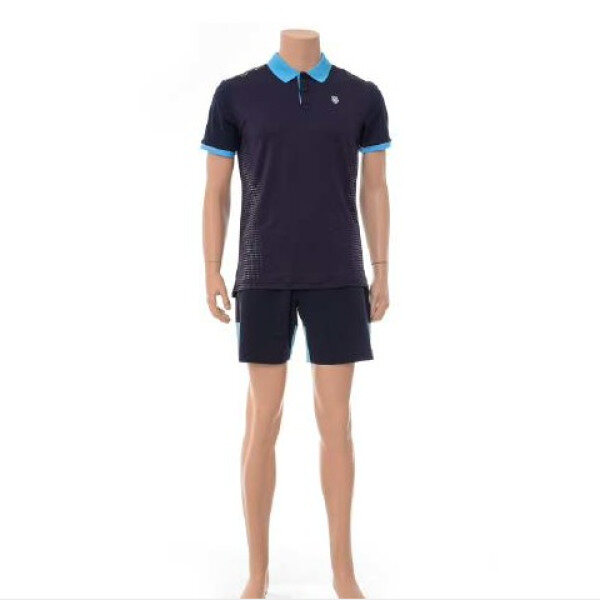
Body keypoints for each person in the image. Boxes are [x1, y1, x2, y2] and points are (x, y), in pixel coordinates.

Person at [201, 29, 391, 599]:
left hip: (339, 274)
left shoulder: (361, 95)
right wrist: (211, 266)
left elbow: (376, 189)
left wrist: (382, 266)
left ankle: (343, 571)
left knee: (338, 423)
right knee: (264, 419)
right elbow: (216, 192)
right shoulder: (236, 94)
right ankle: (257, 572)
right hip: (262, 274)